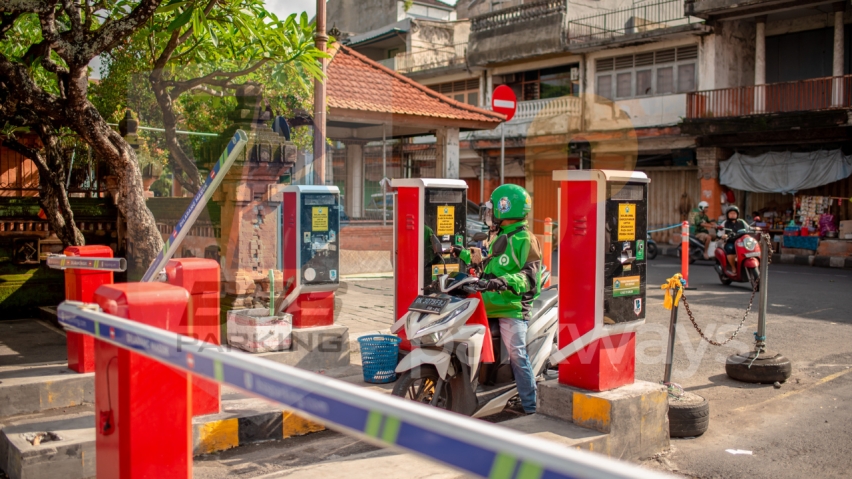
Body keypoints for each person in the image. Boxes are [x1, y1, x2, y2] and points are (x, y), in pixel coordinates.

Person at [457, 184, 542, 415]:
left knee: (517, 353)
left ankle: (530, 405)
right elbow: (490, 264)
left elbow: (529, 276)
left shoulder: (526, 239)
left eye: (493, 208)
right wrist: (464, 254)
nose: (490, 213)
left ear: (505, 208)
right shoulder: (500, 236)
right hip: (488, 303)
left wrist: (504, 282)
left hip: (511, 308)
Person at [721, 206, 749, 273]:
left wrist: (755, 229)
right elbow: (720, 233)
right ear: (727, 214)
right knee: (730, 249)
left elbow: (749, 228)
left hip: (742, 241)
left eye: (734, 213)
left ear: (737, 214)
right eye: (731, 213)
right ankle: (733, 267)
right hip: (731, 242)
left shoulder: (741, 222)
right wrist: (723, 236)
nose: (733, 215)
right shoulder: (725, 223)